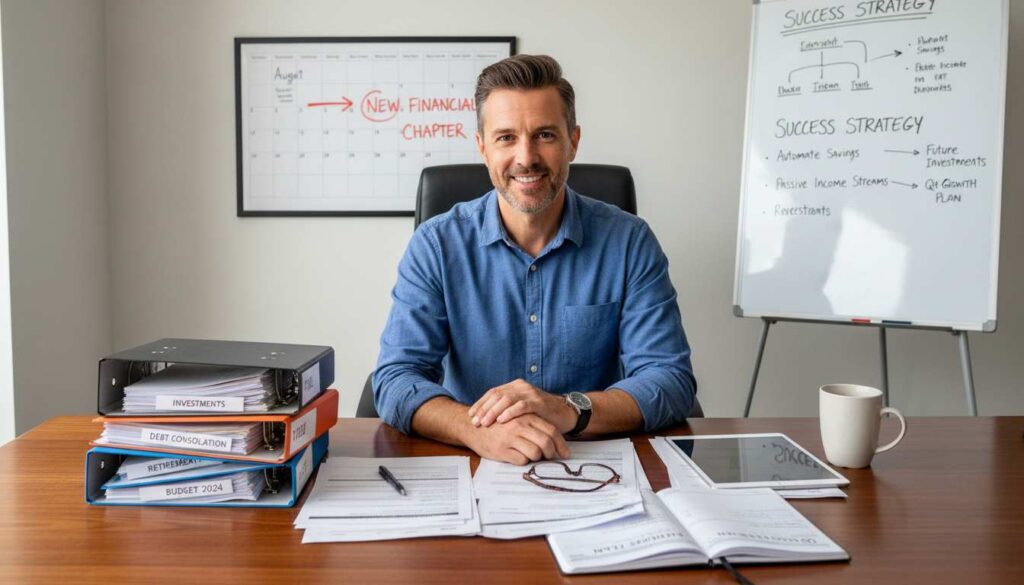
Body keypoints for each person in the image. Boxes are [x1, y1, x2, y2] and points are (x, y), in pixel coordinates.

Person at [373, 54, 696, 464]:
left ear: (572, 142)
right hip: (478, 462)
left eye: (544, 134)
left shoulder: (629, 242)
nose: (526, 158)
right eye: (506, 137)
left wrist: (567, 409)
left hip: (593, 464)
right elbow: (395, 379)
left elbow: (670, 381)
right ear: (482, 147)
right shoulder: (436, 245)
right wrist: (475, 429)